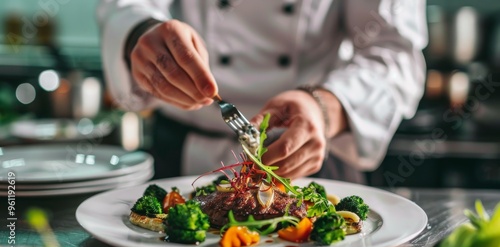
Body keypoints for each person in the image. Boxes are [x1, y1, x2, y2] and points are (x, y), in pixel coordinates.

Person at [97, 0, 427, 182]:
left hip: (313, 162)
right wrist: (141, 35)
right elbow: (123, 5)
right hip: (182, 158)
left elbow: (393, 52)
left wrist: (324, 108)